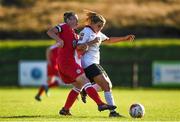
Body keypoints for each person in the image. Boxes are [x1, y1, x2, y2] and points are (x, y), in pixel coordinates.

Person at [46, 11, 116, 116]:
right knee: (85, 81)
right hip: (66, 62)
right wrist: (59, 40)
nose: (77, 21)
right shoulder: (63, 26)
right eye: (74, 18)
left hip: (68, 62)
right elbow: (50, 31)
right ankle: (100, 104)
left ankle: (65, 109)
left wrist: (88, 45)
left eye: (77, 19)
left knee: (78, 87)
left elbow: (79, 47)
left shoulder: (75, 35)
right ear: (68, 20)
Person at [77, 10, 135, 117]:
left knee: (106, 86)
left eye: (102, 27)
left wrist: (124, 38)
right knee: (106, 85)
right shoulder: (86, 32)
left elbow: (108, 40)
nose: (100, 28)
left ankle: (86, 90)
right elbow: (78, 47)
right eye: (99, 26)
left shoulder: (96, 32)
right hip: (88, 64)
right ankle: (113, 113)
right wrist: (91, 42)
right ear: (92, 23)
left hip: (94, 64)